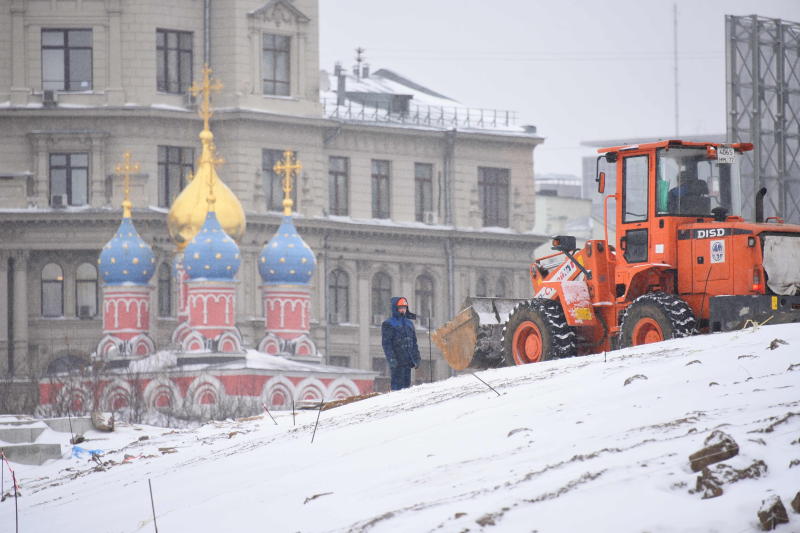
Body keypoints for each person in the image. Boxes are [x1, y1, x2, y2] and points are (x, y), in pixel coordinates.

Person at [381, 296, 421, 391]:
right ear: (395, 308)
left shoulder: (409, 324)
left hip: (408, 361)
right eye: (400, 307)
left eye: (404, 307)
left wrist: (417, 358)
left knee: (406, 386)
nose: (403, 310)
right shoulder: (388, 324)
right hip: (397, 361)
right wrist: (391, 359)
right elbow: (387, 344)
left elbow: (414, 343)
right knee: (397, 387)